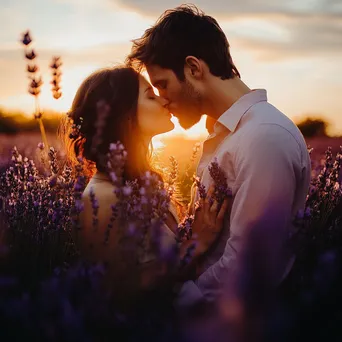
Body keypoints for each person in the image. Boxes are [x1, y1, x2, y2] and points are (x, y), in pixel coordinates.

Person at [126, 4, 312, 306]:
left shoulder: (263, 136)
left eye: (163, 84)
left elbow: (248, 266)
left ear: (194, 69)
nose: (163, 100)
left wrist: (178, 305)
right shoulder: (231, 135)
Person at [60, 65, 231, 310]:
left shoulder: (139, 185)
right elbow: (121, 293)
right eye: (151, 96)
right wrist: (197, 244)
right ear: (124, 113)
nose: (164, 100)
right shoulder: (101, 197)